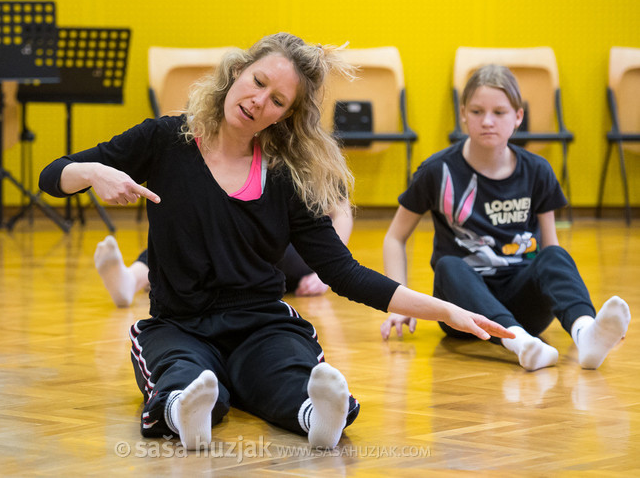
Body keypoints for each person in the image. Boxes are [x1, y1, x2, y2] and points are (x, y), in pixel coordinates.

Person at [39, 33, 512, 451]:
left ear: (286, 116)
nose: (258, 100)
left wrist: (445, 310)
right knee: (183, 370)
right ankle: (188, 410)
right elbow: (51, 176)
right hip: (180, 322)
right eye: (257, 81)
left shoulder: (284, 176)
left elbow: (343, 273)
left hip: (260, 325)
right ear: (237, 71)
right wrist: (92, 172)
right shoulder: (166, 139)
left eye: (277, 99)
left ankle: (317, 419)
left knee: (288, 372)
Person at [380, 64, 630, 372]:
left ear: (518, 116)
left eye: (499, 112)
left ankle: (585, 334)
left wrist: (568, 297)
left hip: (525, 304)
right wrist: (399, 303)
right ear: (463, 114)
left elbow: (550, 250)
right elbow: (394, 237)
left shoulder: (538, 170)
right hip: (463, 312)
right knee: (448, 266)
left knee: (554, 255)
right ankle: (520, 343)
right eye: (476, 111)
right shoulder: (437, 171)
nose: (487, 121)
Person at [94, 199, 353, 307]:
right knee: (180, 240)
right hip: (230, 252)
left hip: (284, 254)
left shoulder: (300, 152)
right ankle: (130, 281)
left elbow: (342, 210)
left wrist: (325, 273)